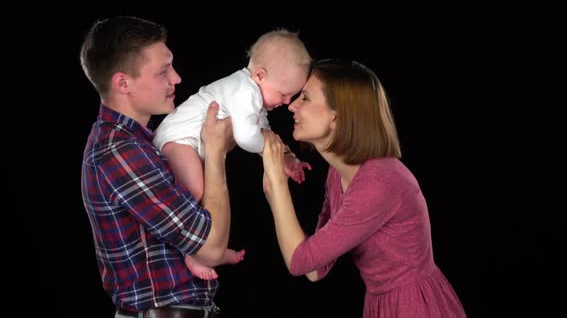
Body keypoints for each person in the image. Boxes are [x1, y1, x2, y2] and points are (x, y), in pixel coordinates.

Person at [260, 59, 467, 317]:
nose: (292, 106)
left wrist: (278, 183)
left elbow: (300, 261)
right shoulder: (338, 175)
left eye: (306, 98)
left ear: (337, 116)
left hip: (413, 307)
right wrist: (272, 188)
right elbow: (315, 269)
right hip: (380, 305)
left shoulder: (379, 183)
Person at [80, 16, 235, 318]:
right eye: (163, 71)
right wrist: (215, 150)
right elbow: (211, 249)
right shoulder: (120, 153)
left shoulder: (140, 143)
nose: (176, 78)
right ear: (122, 82)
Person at [152, 28, 313, 279]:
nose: (287, 101)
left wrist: (284, 157)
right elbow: (247, 137)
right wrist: (269, 150)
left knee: (203, 190)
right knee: (194, 189)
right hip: (176, 140)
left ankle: (205, 250)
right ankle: (192, 252)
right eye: (284, 93)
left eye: (292, 95)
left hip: (195, 145)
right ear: (260, 75)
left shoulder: (254, 96)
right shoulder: (243, 90)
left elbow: (263, 131)